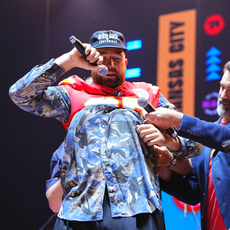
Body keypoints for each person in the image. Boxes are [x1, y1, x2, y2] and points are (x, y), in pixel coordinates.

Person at [9, 30, 200, 230]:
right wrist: (70, 60)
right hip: (80, 211)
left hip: (138, 210)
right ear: (90, 63)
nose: (109, 65)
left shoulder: (148, 96)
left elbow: (194, 145)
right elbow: (20, 95)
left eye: (116, 59)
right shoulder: (73, 93)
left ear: (126, 63)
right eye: (103, 58)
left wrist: (169, 141)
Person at [142, 61, 230, 229]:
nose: (223, 95)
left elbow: (223, 138)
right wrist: (166, 171)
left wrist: (177, 119)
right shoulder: (209, 138)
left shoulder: (212, 135)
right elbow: (195, 194)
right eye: (222, 87)